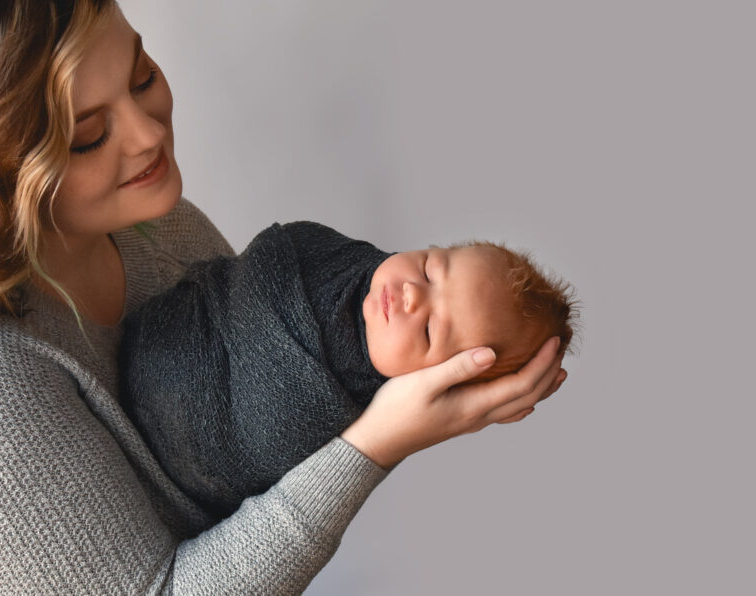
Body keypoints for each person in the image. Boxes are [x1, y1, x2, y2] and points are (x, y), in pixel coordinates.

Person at [0, 0, 568, 595]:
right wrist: (378, 442)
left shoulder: (157, 229)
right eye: (88, 136)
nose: (147, 135)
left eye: (142, 76)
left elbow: (246, 461)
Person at [120, 220, 577, 518]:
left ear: (435, 383)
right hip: (147, 334)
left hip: (163, 483)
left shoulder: (371, 417)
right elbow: (269, 259)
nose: (412, 295)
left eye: (431, 331)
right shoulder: (331, 258)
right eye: (431, 268)